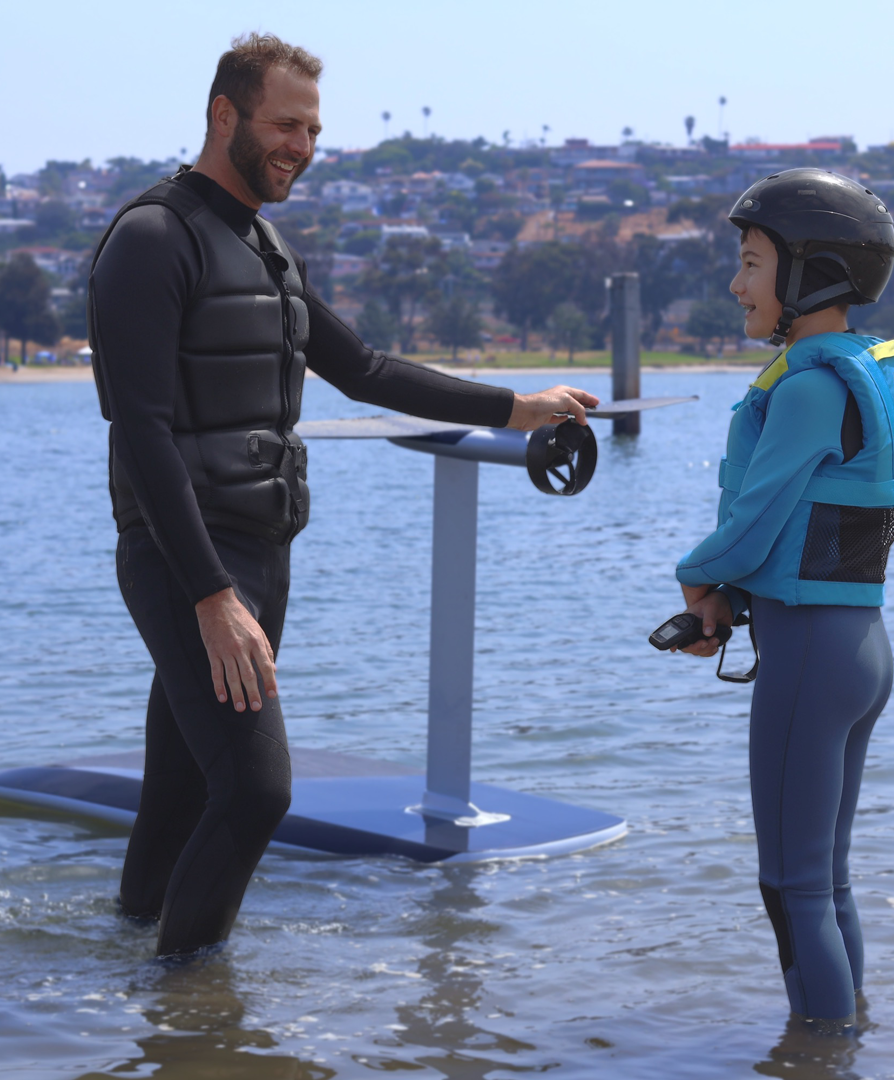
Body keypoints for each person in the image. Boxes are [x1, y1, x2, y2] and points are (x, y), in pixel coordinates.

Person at [87, 33, 598, 959]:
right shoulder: (151, 239)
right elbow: (144, 433)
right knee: (255, 792)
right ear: (223, 114)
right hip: (188, 563)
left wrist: (517, 407)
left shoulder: (269, 250)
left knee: (182, 790)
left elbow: (362, 369)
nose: (301, 145)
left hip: (262, 554)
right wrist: (211, 598)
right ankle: (188, 1004)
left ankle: (134, 1001)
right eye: (285, 123)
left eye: (314, 129)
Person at [670, 168, 894, 1029]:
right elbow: (797, 527)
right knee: (827, 877)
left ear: (810, 275)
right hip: (858, 646)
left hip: (811, 657)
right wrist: (729, 597)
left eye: (752, 262)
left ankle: (820, 1053)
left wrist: (696, 580)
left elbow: (753, 520)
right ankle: (849, 1035)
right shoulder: (863, 375)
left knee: (789, 885)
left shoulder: (807, 388)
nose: (737, 284)